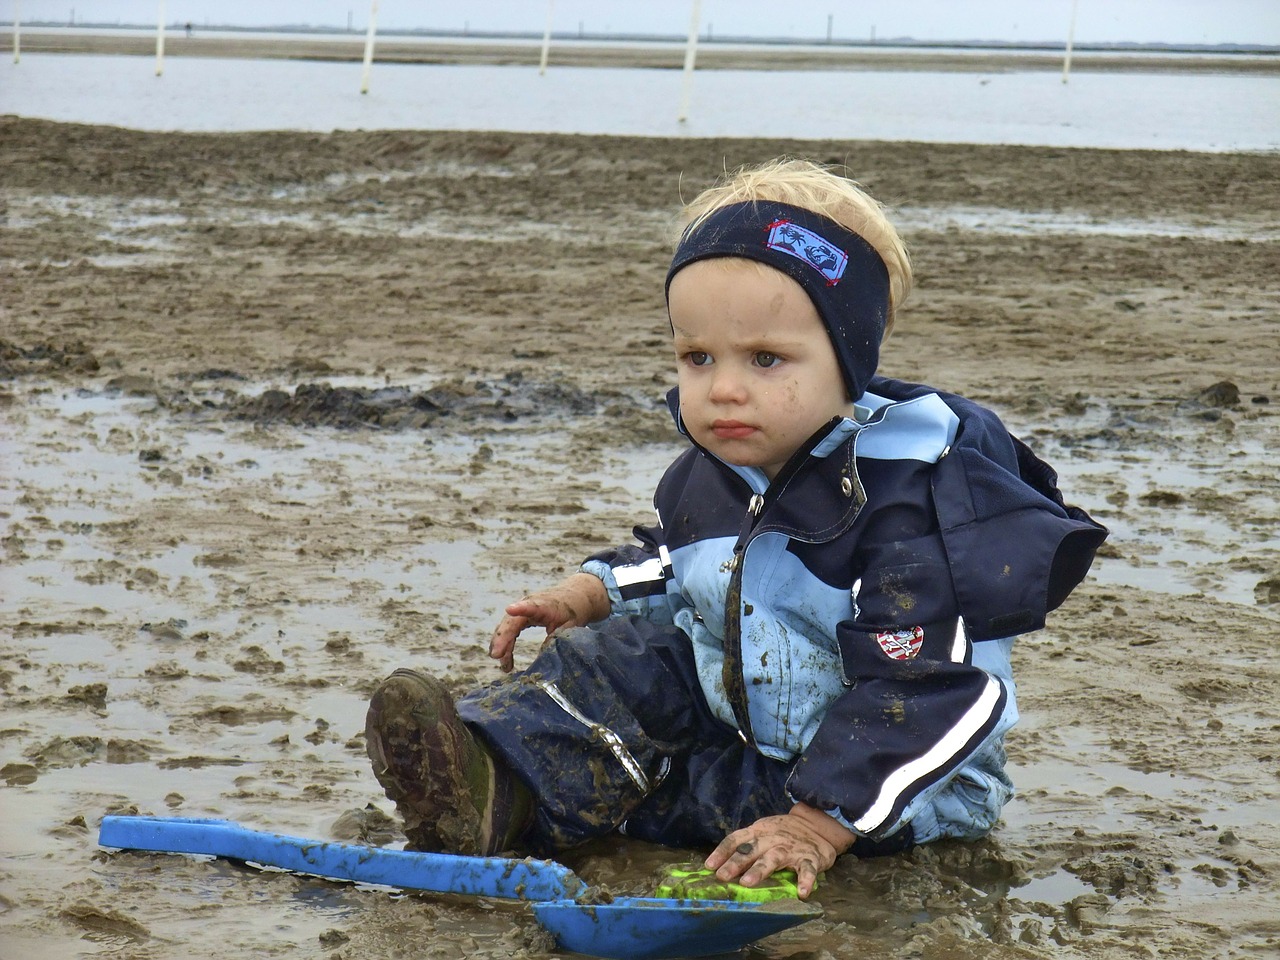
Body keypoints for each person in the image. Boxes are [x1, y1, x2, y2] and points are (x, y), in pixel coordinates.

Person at [364, 158, 1107, 899]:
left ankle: (541, 805)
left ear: (850, 362)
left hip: (886, 780)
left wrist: (817, 824)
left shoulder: (908, 504)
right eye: (697, 357)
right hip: (746, 718)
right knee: (619, 658)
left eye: (765, 359)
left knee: (702, 798)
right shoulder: (711, 471)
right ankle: (486, 774)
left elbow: (937, 689)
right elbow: (679, 561)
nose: (723, 388)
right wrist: (589, 591)